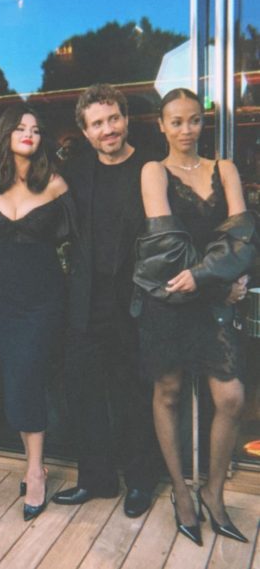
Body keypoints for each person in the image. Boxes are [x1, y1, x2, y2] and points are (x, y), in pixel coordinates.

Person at [134, 88, 256, 545]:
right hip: (169, 299)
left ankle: (213, 492)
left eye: (194, 120)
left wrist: (214, 276)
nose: (186, 129)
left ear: (203, 123)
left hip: (209, 301)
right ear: (161, 126)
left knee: (231, 398)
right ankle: (182, 494)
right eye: (176, 121)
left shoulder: (225, 168)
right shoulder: (154, 171)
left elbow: (242, 237)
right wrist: (220, 278)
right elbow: (168, 245)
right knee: (168, 392)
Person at [52, 83, 161, 517]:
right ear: (85, 131)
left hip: (134, 303)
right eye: (97, 123)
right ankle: (96, 479)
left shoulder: (151, 168)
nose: (108, 129)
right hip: (84, 302)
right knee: (84, 394)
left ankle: (140, 481)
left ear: (126, 119)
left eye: (113, 118)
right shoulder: (76, 171)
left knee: (133, 395)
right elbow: (35, 205)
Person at [0, 104, 74, 521]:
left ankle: (35, 470)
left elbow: (77, 240)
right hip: (2, 298)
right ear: (6, 135)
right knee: (16, 375)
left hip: (44, 297)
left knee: (30, 372)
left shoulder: (55, 184)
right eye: (19, 128)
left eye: (35, 128)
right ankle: (33, 462)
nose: (28, 134)